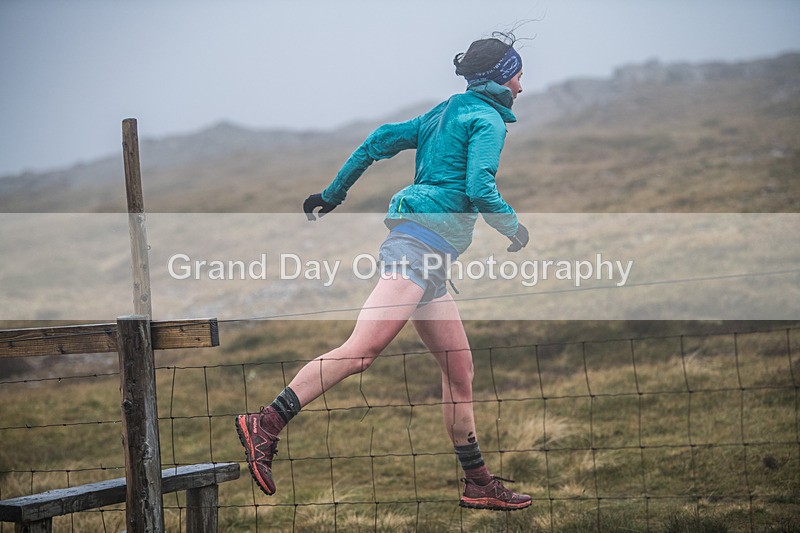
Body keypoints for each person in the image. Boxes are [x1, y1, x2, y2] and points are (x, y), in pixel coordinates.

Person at [236, 31, 532, 511]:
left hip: (431, 258)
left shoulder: (442, 113)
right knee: (361, 352)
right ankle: (265, 423)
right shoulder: (488, 120)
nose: (523, 85)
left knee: (460, 373)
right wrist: (513, 228)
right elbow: (479, 185)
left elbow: (376, 142)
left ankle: (477, 483)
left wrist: (334, 194)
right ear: (502, 77)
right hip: (416, 248)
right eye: (519, 73)